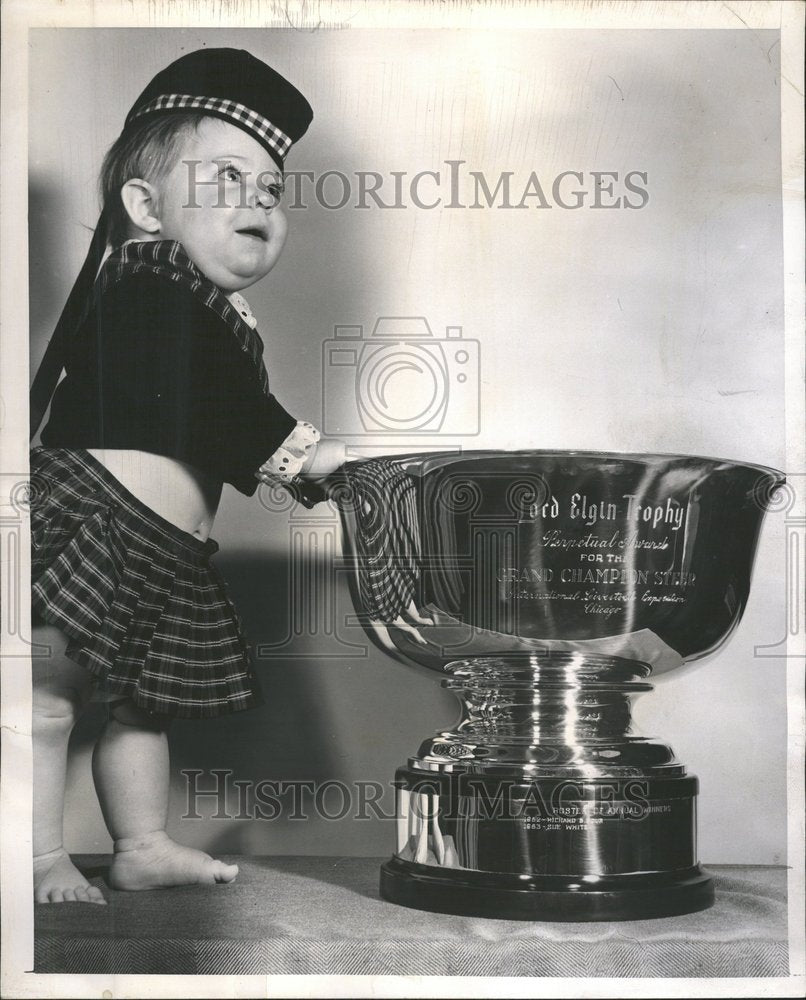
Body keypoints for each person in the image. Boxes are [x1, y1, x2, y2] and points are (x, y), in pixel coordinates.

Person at [29, 48, 345, 904]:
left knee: (138, 703)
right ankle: (30, 862)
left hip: (158, 543)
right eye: (229, 178)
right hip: (93, 523)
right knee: (46, 698)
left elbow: (218, 405)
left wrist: (290, 460)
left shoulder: (199, 300)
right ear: (144, 206)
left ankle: (140, 844)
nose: (259, 203)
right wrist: (302, 454)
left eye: (272, 190)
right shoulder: (149, 284)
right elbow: (211, 402)